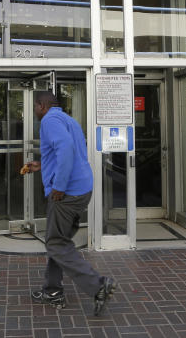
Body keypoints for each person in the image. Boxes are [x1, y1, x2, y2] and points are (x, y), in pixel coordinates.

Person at [21, 91, 116, 315]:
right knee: (59, 240)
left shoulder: (49, 120)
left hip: (68, 193)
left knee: (56, 243)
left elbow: (65, 149)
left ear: (42, 105)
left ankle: (98, 285)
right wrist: (42, 166)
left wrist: (59, 186)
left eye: (35, 107)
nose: (34, 111)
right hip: (82, 189)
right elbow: (67, 153)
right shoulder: (68, 119)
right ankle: (52, 290)